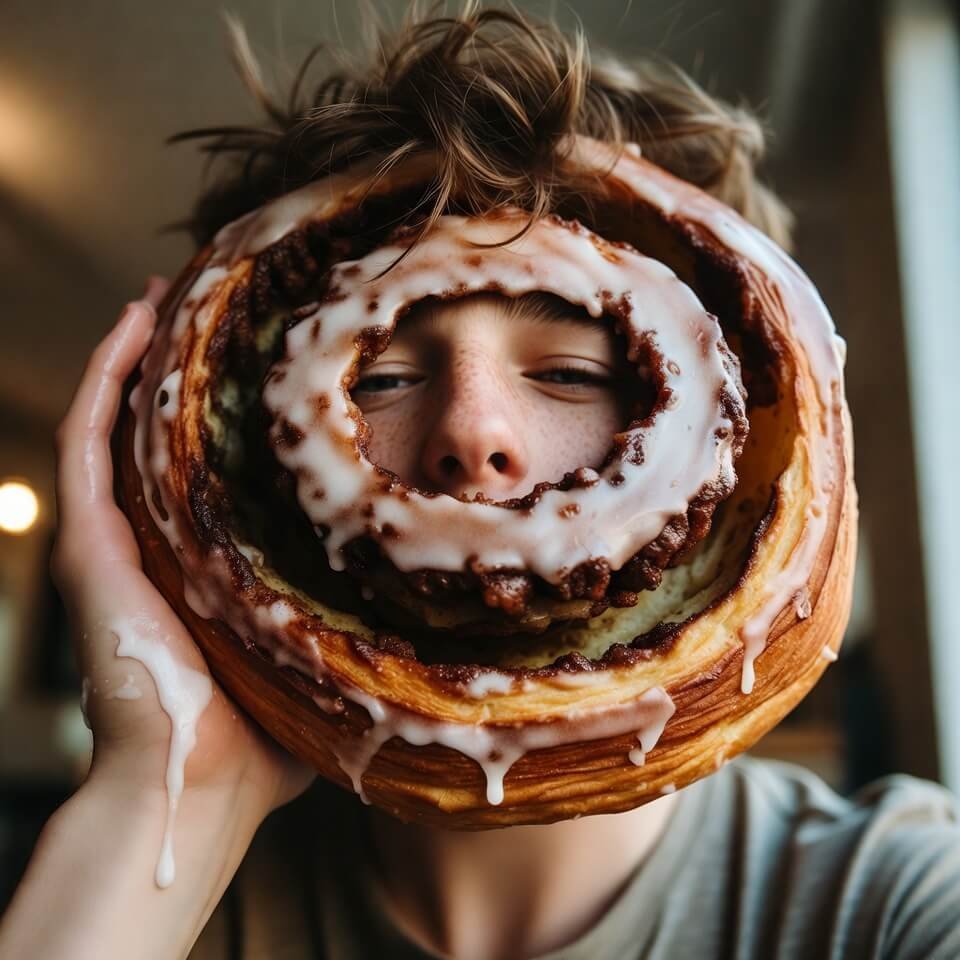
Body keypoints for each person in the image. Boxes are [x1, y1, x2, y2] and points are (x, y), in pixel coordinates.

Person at [2, 6, 959, 959]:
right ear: (250, 452)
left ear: (741, 450)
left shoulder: (890, 902)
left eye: (570, 373)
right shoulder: (145, 902)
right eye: (380, 378)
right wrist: (173, 796)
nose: (471, 431)